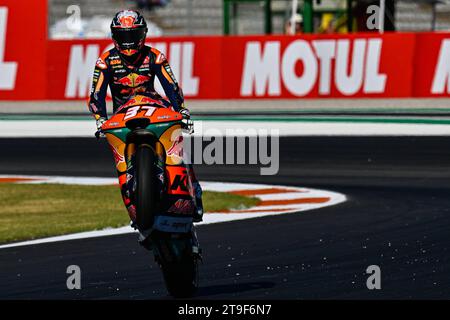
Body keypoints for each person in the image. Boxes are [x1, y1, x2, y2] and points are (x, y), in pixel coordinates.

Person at [87, 10, 204, 239]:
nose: (128, 42)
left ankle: (195, 189)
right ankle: (134, 196)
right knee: (118, 154)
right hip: (123, 113)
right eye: (123, 36)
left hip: (154, 106)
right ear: (114, 36)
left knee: (176, 140)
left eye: (133, 35)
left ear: (143, 34)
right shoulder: (105, 61)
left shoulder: (155, 57)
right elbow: (96, 96)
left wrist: (180, 109)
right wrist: (100, 119)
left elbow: (172, 86)